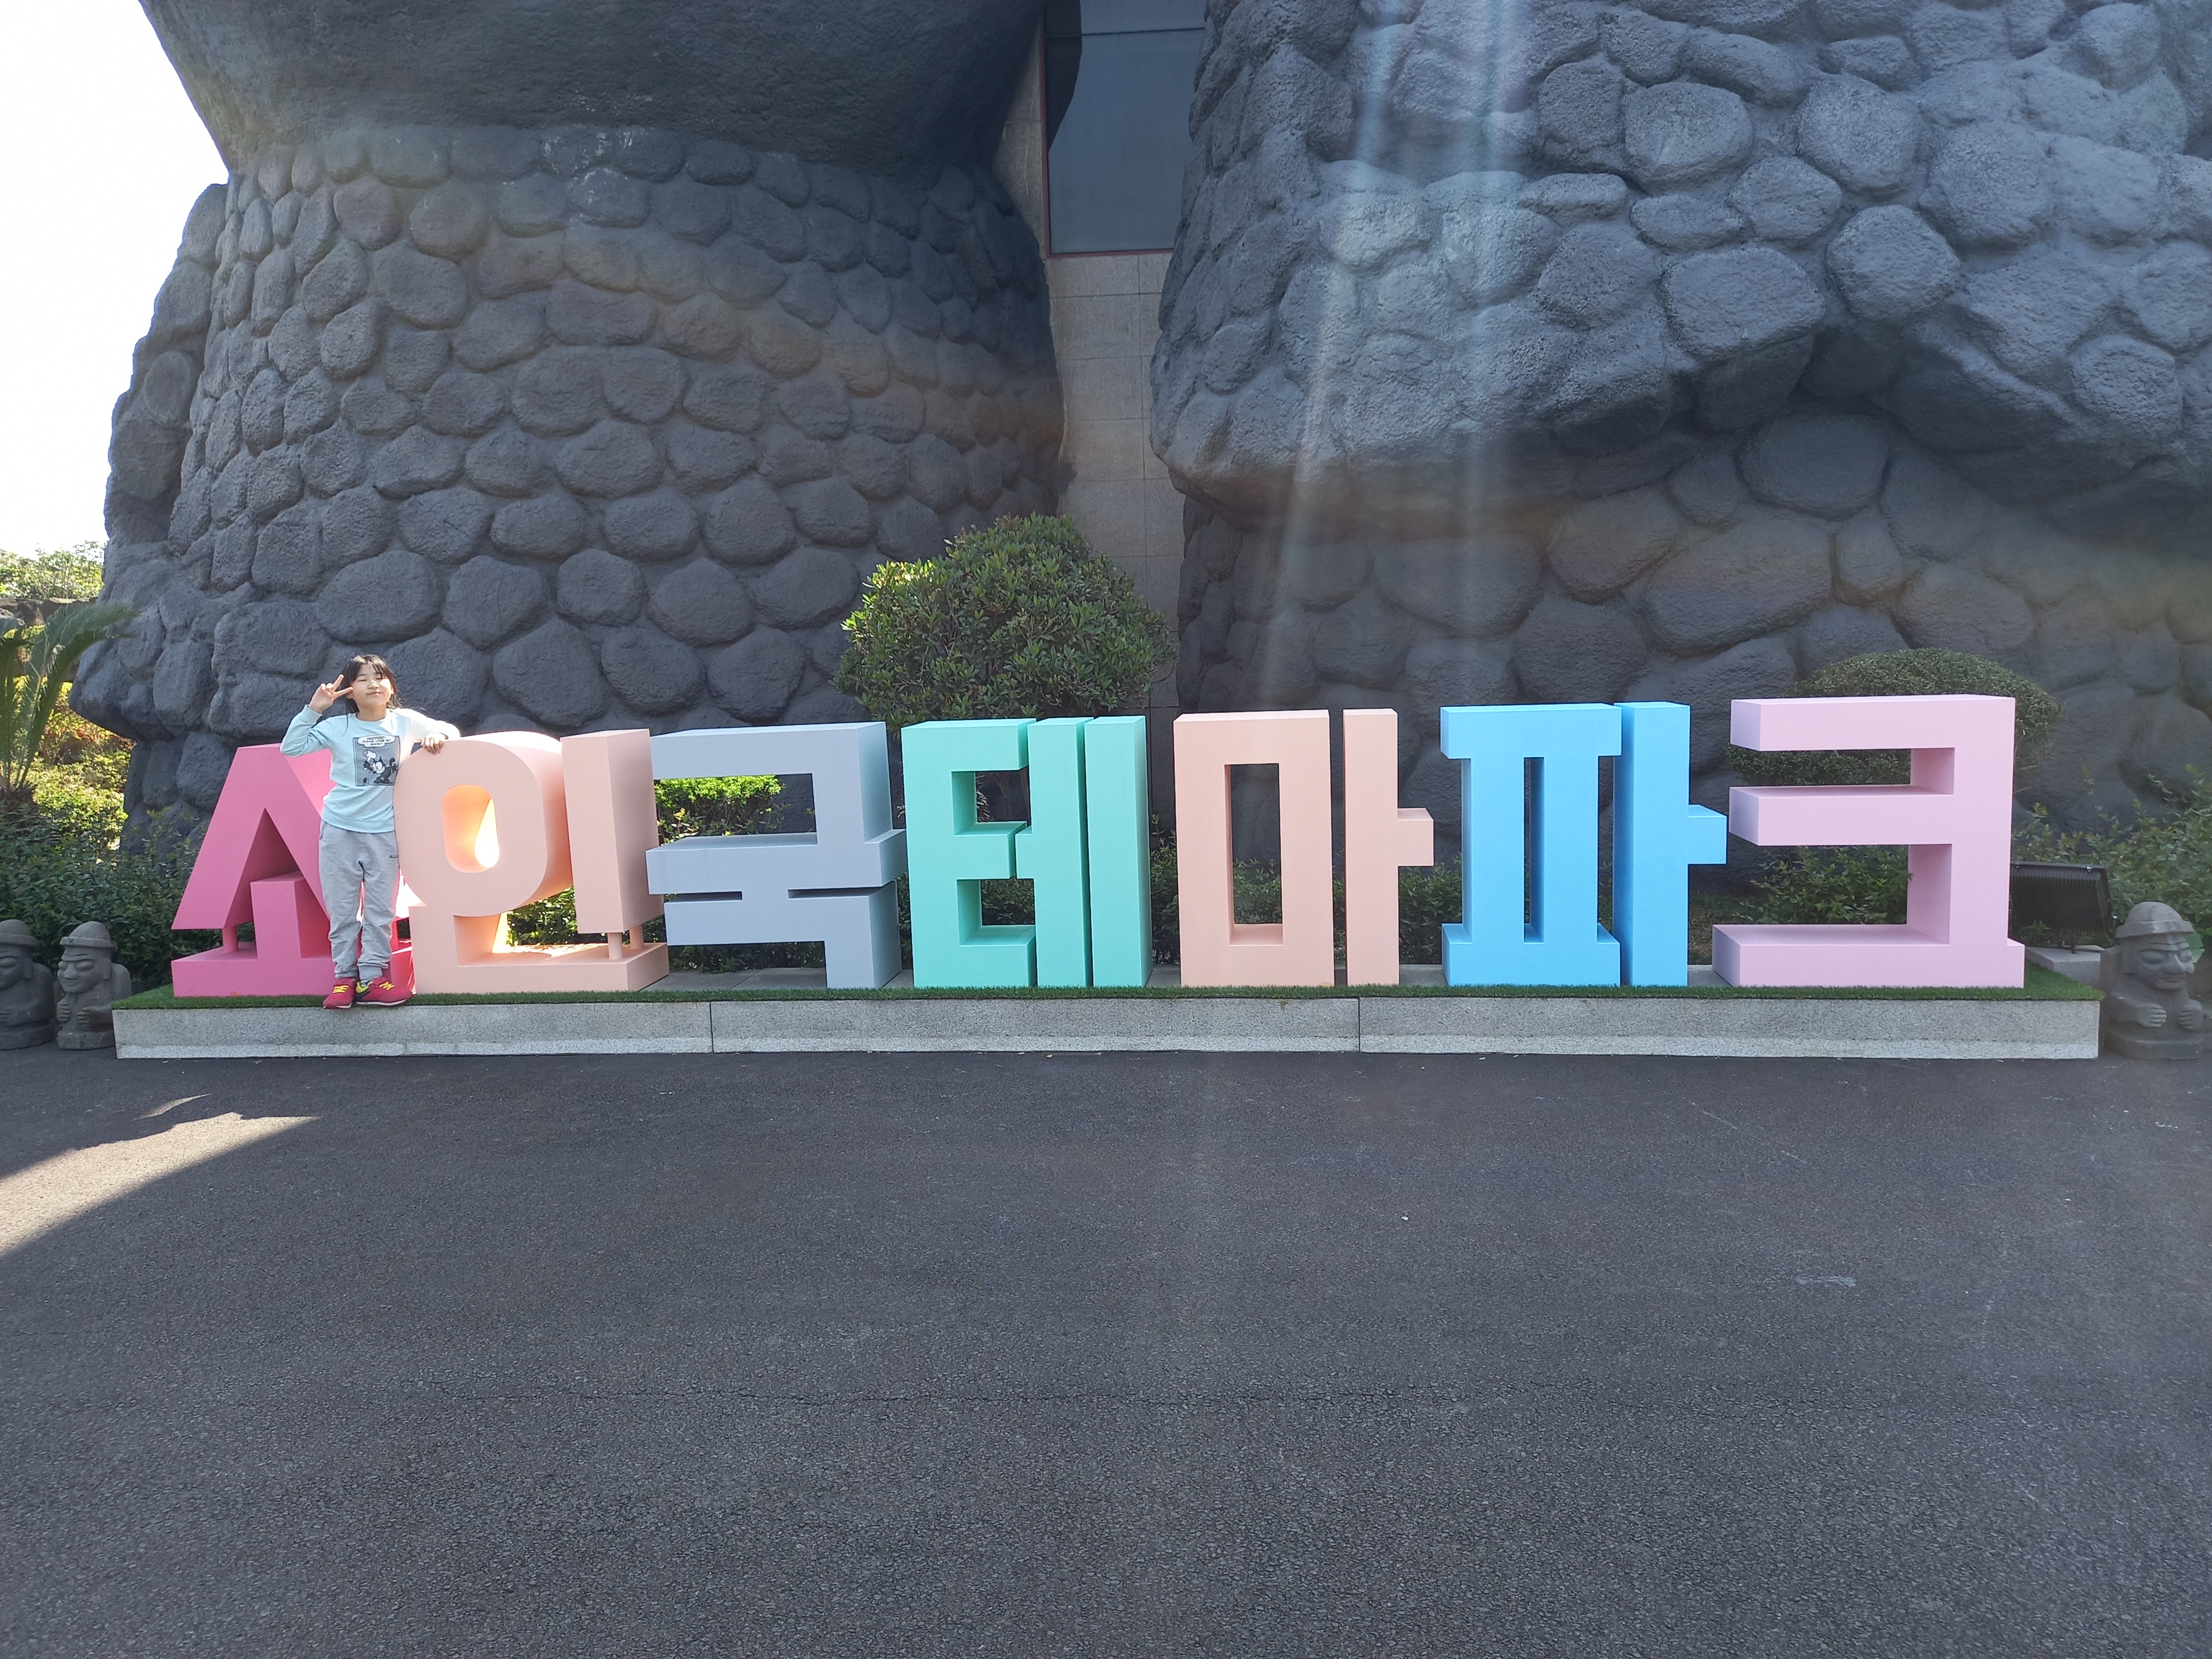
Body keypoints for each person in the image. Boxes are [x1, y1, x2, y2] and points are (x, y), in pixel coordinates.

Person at [281, 655, 457, 1010]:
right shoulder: (338, 727)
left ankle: (372, 980)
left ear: (391, 685)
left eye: (380, 677)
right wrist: (314, 710)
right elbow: (292, 747)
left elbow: (450, 731)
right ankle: (344, 979)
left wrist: (437, 735)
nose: (373, 685)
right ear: (349, 690)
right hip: (339, 831)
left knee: (381, 911)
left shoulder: (405, 722)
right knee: (343, 911)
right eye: (362, 679)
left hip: (385, 833)